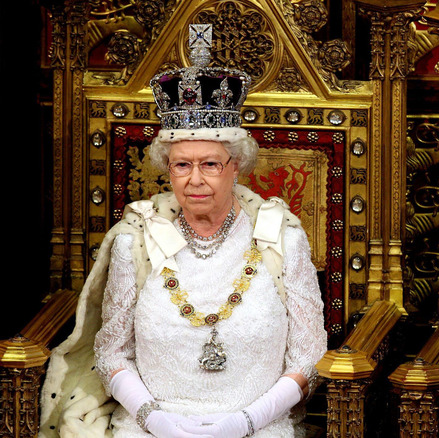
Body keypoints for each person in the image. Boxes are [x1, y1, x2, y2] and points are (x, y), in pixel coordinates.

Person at [39, 24, 327, 438]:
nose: (195, 179)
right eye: (181, 164)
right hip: (150, 425)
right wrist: (156, 421)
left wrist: (244, 422)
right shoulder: (135, 239)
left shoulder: (281, 236)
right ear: (167, 169)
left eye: (210, 164)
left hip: (258, 424)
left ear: (236, 166)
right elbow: (111, 351)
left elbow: (308, 354)